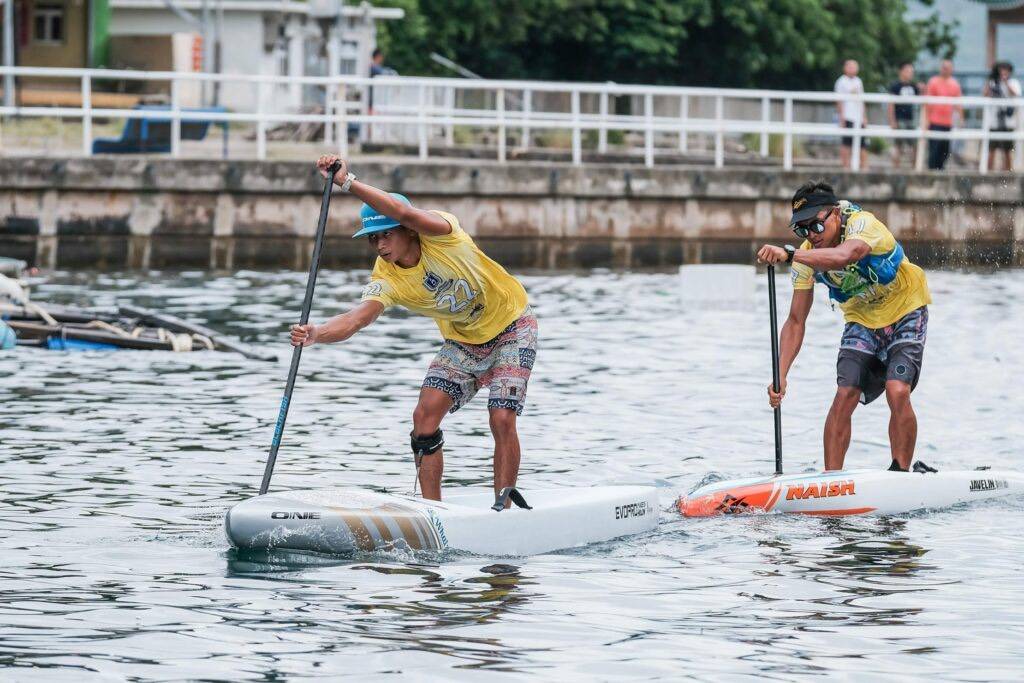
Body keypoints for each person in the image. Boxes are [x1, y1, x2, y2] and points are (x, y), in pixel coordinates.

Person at [290, 155, 537, 503]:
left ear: (408, 231)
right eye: (373, 240)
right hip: (464, 341)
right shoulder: (386, 276)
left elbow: (405, 212)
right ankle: (432, 510)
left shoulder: (443, 233)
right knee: (424, 417)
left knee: (501, 416)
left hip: (512, 325)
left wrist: (347, 183)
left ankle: (504, 505)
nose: (381, 246)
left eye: (386, 235)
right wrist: (317, 333)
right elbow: (358, 318)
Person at [755, 181, 932, 472]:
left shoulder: (863, 225)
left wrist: (789, 253)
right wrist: (781, 374)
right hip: (862, 318)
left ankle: (900, 473)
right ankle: (831, 481)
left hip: (906, 310)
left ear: (836, 213)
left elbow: (845, 256)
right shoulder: (806, 258)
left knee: (897, 389)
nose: (811, 235)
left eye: (817, 225)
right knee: (844, 393)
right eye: (803, 230)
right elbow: (796, 320)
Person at [924, 60, 963, 171]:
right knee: (934, 148)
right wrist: (926, 120)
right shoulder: (933, 82)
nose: (945, 69)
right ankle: (931, 170)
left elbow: (958, 103)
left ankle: (940, 170)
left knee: (945, 149)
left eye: (947, 67)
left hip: (947, 122)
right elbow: (928, 102)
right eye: (944, 67)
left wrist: (961, 118)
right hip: (934, 121)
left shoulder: (954, 84)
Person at [984, 61, 1021, 172]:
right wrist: (990, 81)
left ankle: (1008, 172)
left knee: (1007, 150)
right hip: (995, 121)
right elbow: (985, 94)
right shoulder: (993, 82)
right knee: (992, 148)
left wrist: (1006, 83)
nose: (1003, 72)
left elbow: (1015, 94)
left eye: (1006, 69)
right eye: (1001, 69)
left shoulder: (1013, 82)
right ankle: (989, 172)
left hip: (1008, 121)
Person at [835, 59, 868, 170]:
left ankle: (863, 167)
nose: (853, 69)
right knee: (846, 143)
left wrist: (864, 116)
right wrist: (841, 117)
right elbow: (839, 101)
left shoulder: (859, 81)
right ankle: (846, 166)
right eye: (850, 66)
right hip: (847, 116)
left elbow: (862, 100)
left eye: (855, 66)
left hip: (858, 117)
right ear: (845, 68)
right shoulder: (841, 81)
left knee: (862, 144)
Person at [887, 62, 921, 168]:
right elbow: (891, 104)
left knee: (915, 145)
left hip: (911, 119)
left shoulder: (914, 86)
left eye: (911, 72)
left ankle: (914, 169)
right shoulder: (895, 86)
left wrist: (923, 88)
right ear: (901, 72)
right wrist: (892, 120)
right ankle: (896, 169)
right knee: (898, 146)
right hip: (899, 119)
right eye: (907, 71)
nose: (910, 74)